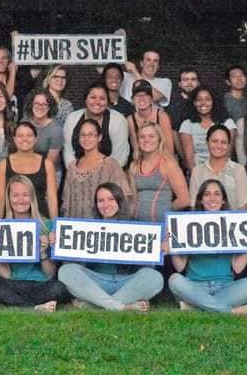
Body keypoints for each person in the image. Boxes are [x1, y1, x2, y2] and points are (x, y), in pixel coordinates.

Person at [0, 175, 69, 311]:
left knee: (59, 288)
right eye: (15, 195)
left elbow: (49, 275)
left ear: (32, 197)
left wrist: (43, 253)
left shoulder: (46, 226)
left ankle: (3, 302)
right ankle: (32, 306)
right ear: (9, 198)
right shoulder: (1, 227)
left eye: (25, 195)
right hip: (8, 283)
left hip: (38, 285)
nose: (20, 200)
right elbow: (5, 275)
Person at [58, 183, 164, 311]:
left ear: (119, 201)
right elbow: (76, 261)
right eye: (100, 200)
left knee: (154, 277)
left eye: (111, 199)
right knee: (66, 270)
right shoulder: (88, 227)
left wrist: (157, 249)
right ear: (96, 204)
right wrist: (59, 241)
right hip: (97, 281)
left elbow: (148, 266)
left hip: (126, 281)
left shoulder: (136, 226)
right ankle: (120, 307)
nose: (106, 204)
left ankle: (98, 306)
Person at [167, 179, 247, 314]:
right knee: (174, 280)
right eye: (207, 194)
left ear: (223, 200)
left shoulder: (233, 225)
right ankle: (229, 311)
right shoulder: (189, 224)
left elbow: (238, 268)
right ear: (200, 200)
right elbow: (180, 267)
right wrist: (172, 243)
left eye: (217, 194)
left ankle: (197, 308)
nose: (212, 198)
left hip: (225, 286)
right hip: (195, 286)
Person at [61, 119, 134, 218]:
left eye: (91, 134)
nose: (86, 138)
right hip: (76, 228)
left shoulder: (110, 164)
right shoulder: (72, 167)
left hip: (101, 228)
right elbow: (66, 203)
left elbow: (124, 197)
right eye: (83, 135)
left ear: (99, 137)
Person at [0, 121, 58, 219]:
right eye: (20, 136)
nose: (25, 139)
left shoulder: (47, 164)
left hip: (41, 221)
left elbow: (52, 199)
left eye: (29, 135)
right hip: (12, 221)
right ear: (14, 139)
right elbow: (0, 200)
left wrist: (54, 226)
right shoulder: (3, 165)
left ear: (36, 139)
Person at [130, 122, 190, 222]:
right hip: (138, 226)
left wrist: (165, 210)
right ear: (138, 141)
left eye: (151, 136)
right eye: (142, 137)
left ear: (159, 139)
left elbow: (184, 200)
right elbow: (134, 201)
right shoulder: (134, 166)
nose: (146, 140)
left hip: (162, 225)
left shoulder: (168, 164)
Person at [63, 83, 130, 166]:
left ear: (108, 102)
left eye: (102, 98)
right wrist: (76, 172)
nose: (97, 102)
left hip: (110, 173)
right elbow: (68, 152)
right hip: (77, 171)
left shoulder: (118, 120)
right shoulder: (72, 118)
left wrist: (100, 176)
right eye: (93, 97)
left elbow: (119, 156)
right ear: (85, 99)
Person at [189, 125, 247, 210]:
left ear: (229, 145)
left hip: (232, 221)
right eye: (214, 141)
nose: (219, 146)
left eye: (223, 142)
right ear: (207, 142)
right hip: (204, 221)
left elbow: (243, 205)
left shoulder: (238, 170)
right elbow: (193, 205)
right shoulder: (197, 171)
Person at [180, 87, 237, 172]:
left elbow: (226, 155)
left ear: (214, 102)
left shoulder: (227, 123)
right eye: (199, 100)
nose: (203, 103)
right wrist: (198, 178)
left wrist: (218, 176)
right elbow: (189, 161)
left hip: (223, 171)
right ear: (194, 103)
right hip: (196, 172)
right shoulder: (187, 125)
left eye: (207, 99)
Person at [21, 90, 64, 178]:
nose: (40, 107)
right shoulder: (24, 122)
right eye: (36, 103)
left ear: (49, 107)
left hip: (49, 170)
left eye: (44, 104)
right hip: (26, 166)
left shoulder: (56, 130)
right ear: (31, 105)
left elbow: (49, 163)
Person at [126, 81, 175, 158]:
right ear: (133, 100)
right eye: (138, 95)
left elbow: (169, 148)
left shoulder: (162, 116)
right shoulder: (130, 120)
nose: (142, 98)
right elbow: (136, 150)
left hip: (162, 158)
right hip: (143, 160)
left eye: (146, 95)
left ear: (151, 99)